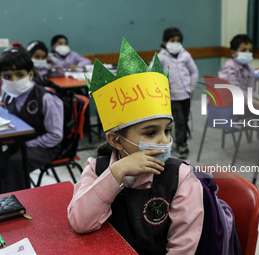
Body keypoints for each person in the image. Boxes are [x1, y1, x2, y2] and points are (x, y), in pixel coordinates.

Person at [67, 39, 204, 255]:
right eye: (150, 133)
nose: (163, 141)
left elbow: (183, 248)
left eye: (167, 130)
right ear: (116, 140)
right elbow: (80, 222)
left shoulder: (181, 177)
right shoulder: (96, 167)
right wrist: (117, 172)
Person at [0, 44, 64, 193]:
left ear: (30, 74)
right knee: (1, 161)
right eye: (7, 76)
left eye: (20, 75)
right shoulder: (7, 94)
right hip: (22, 142)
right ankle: (4, 201)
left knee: (15, 163)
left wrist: (27, 145)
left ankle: (18, 204)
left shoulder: (46, 98)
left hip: (47, 146)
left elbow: (55, 136)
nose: (14, 80)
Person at [150, 27, 198, 159]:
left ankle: (181, 140)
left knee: (185, 118)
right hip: (171, 97)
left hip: (185, 95)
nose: (175, 43)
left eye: (178, 40)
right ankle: (180, 144)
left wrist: (191, 87)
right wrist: (163, 84)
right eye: (172, 40)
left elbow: (194, 71)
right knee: (178, 121)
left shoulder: (185, 55)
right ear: (165, 42)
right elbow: (152, 75)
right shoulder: (160, 57)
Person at [218, 34, 259, 111]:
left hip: (242, 101)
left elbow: (251, 91)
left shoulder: (250, 69)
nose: (248, 53)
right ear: (233, 53)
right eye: (244, 50)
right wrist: (253, 102)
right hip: (228, 103)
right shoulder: (229, 67)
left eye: (250, 50)